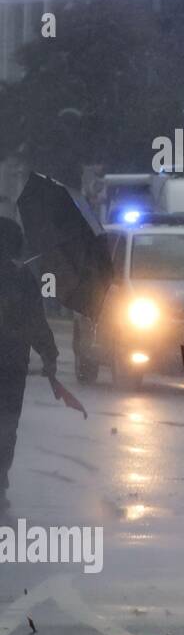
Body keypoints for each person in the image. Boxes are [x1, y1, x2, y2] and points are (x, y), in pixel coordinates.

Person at [0, 217, 58, 521]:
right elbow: (37, 323)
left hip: (11, 365)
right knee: (7, 425)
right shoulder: (22, 279)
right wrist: (49, 355)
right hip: (11, 366)